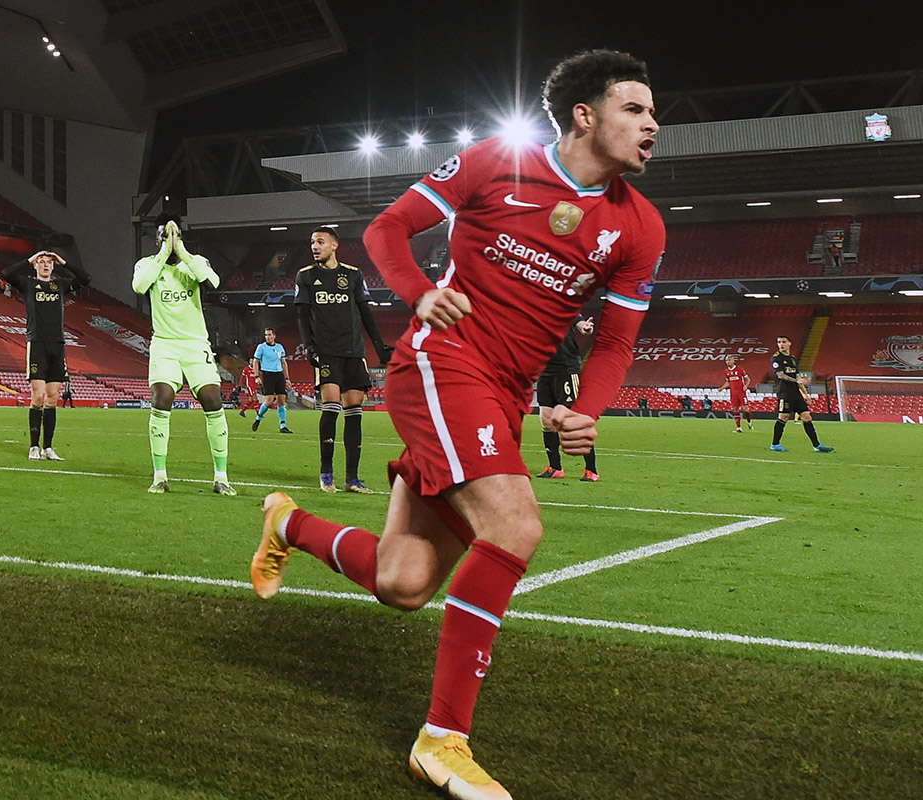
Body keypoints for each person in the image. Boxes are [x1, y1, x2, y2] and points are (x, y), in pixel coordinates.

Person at [252, 49, 664, 799]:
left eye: (651, 112)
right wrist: (417, 293)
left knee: (403, 582)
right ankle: (441, 740)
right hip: (441, 363)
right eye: (634, 109)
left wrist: (588, 408)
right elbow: (388, 230)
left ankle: (288, 523)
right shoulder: (496, 161)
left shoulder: (640, 227)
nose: (651, 124)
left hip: (503, 397)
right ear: (585, 115)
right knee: (516, 524)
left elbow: (615, 342)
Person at [132, 214, 235, 496]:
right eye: (162, 235)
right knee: (161, 398)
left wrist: (182, 251)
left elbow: (212, 282)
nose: (167, 239)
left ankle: (221, 477)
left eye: (172, 235)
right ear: (157, 239)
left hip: (195, 343)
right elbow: (139, 287)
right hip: (165, 343)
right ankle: (160, 476)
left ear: (181, 238)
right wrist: (164, 253)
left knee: (213, 400)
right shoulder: (146, 264)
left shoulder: (196, 262)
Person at [294, 225, 394, 493]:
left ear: (334, 245)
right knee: (330, 406)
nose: (315, 246)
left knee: (354, 411)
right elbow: (302, 316)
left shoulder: (353, 275)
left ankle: (352, 478)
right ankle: (326, 473)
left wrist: (379, 346)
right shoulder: (306, 276)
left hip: (354, 352)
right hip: (326, 351)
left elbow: (366, 312)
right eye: (312, 242)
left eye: (320, 242)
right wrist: (309, 347)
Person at [2, 249, 91, 460]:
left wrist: (64, 262)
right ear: (35, 265)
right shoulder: (28, 284)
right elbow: (7, 273)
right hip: (37, 344)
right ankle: (34, 446)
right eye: (41, 262)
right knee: (39, 396)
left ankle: (47, 448)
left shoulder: (59, 285)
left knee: (52, 397)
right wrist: (29, 259)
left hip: (57, 345)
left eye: (49, 262)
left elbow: (85, 278)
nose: (45, 265)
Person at [535, 316, 600, 481]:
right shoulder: (531, 310)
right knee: (546, 419)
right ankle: (555, 468)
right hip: (545, 369)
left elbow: (580, 323)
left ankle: (591, 470)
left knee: (575, 420)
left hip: (567, 368)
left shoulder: (564, 306)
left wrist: (585, 327)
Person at [769, 335, 834, 453]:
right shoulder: (776, 358)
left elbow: (798, 377)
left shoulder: (793, 359)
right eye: (779, 342)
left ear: (789, 343)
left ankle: (817, 445)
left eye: (784, 342)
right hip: (785, 393)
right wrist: (796, 381)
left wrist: (806, 394)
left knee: (807, 417)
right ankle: (775, 444)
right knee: (783, 417)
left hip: (796, 393)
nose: (781, 344)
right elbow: (781, 375)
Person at [251, 326, 293, 434]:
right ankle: (258, 418)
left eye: (269, 335)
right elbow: (256, 361)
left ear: (274, 336)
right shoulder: (261, 347)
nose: (267, 337)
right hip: (267, 374)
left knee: (281, 400)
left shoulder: (279, 347)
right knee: (269, 402)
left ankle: (283, 426)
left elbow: (284, 362)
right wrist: (257, 376)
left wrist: (287, 378)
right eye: (266, 335)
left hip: (279, 374)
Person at [719, 355, 753, 432]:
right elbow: (728, 382)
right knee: (735, 409)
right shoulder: (726, 371)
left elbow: (748, 379)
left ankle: (749, 422)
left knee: (746, 410)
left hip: (741, 392)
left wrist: (746, 386)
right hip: (733, 393)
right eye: (727, 360)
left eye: (729, 360)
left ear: (733, 361)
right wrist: (722, 388)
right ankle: (739, 428)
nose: (728, 362)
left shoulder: (740, 369)